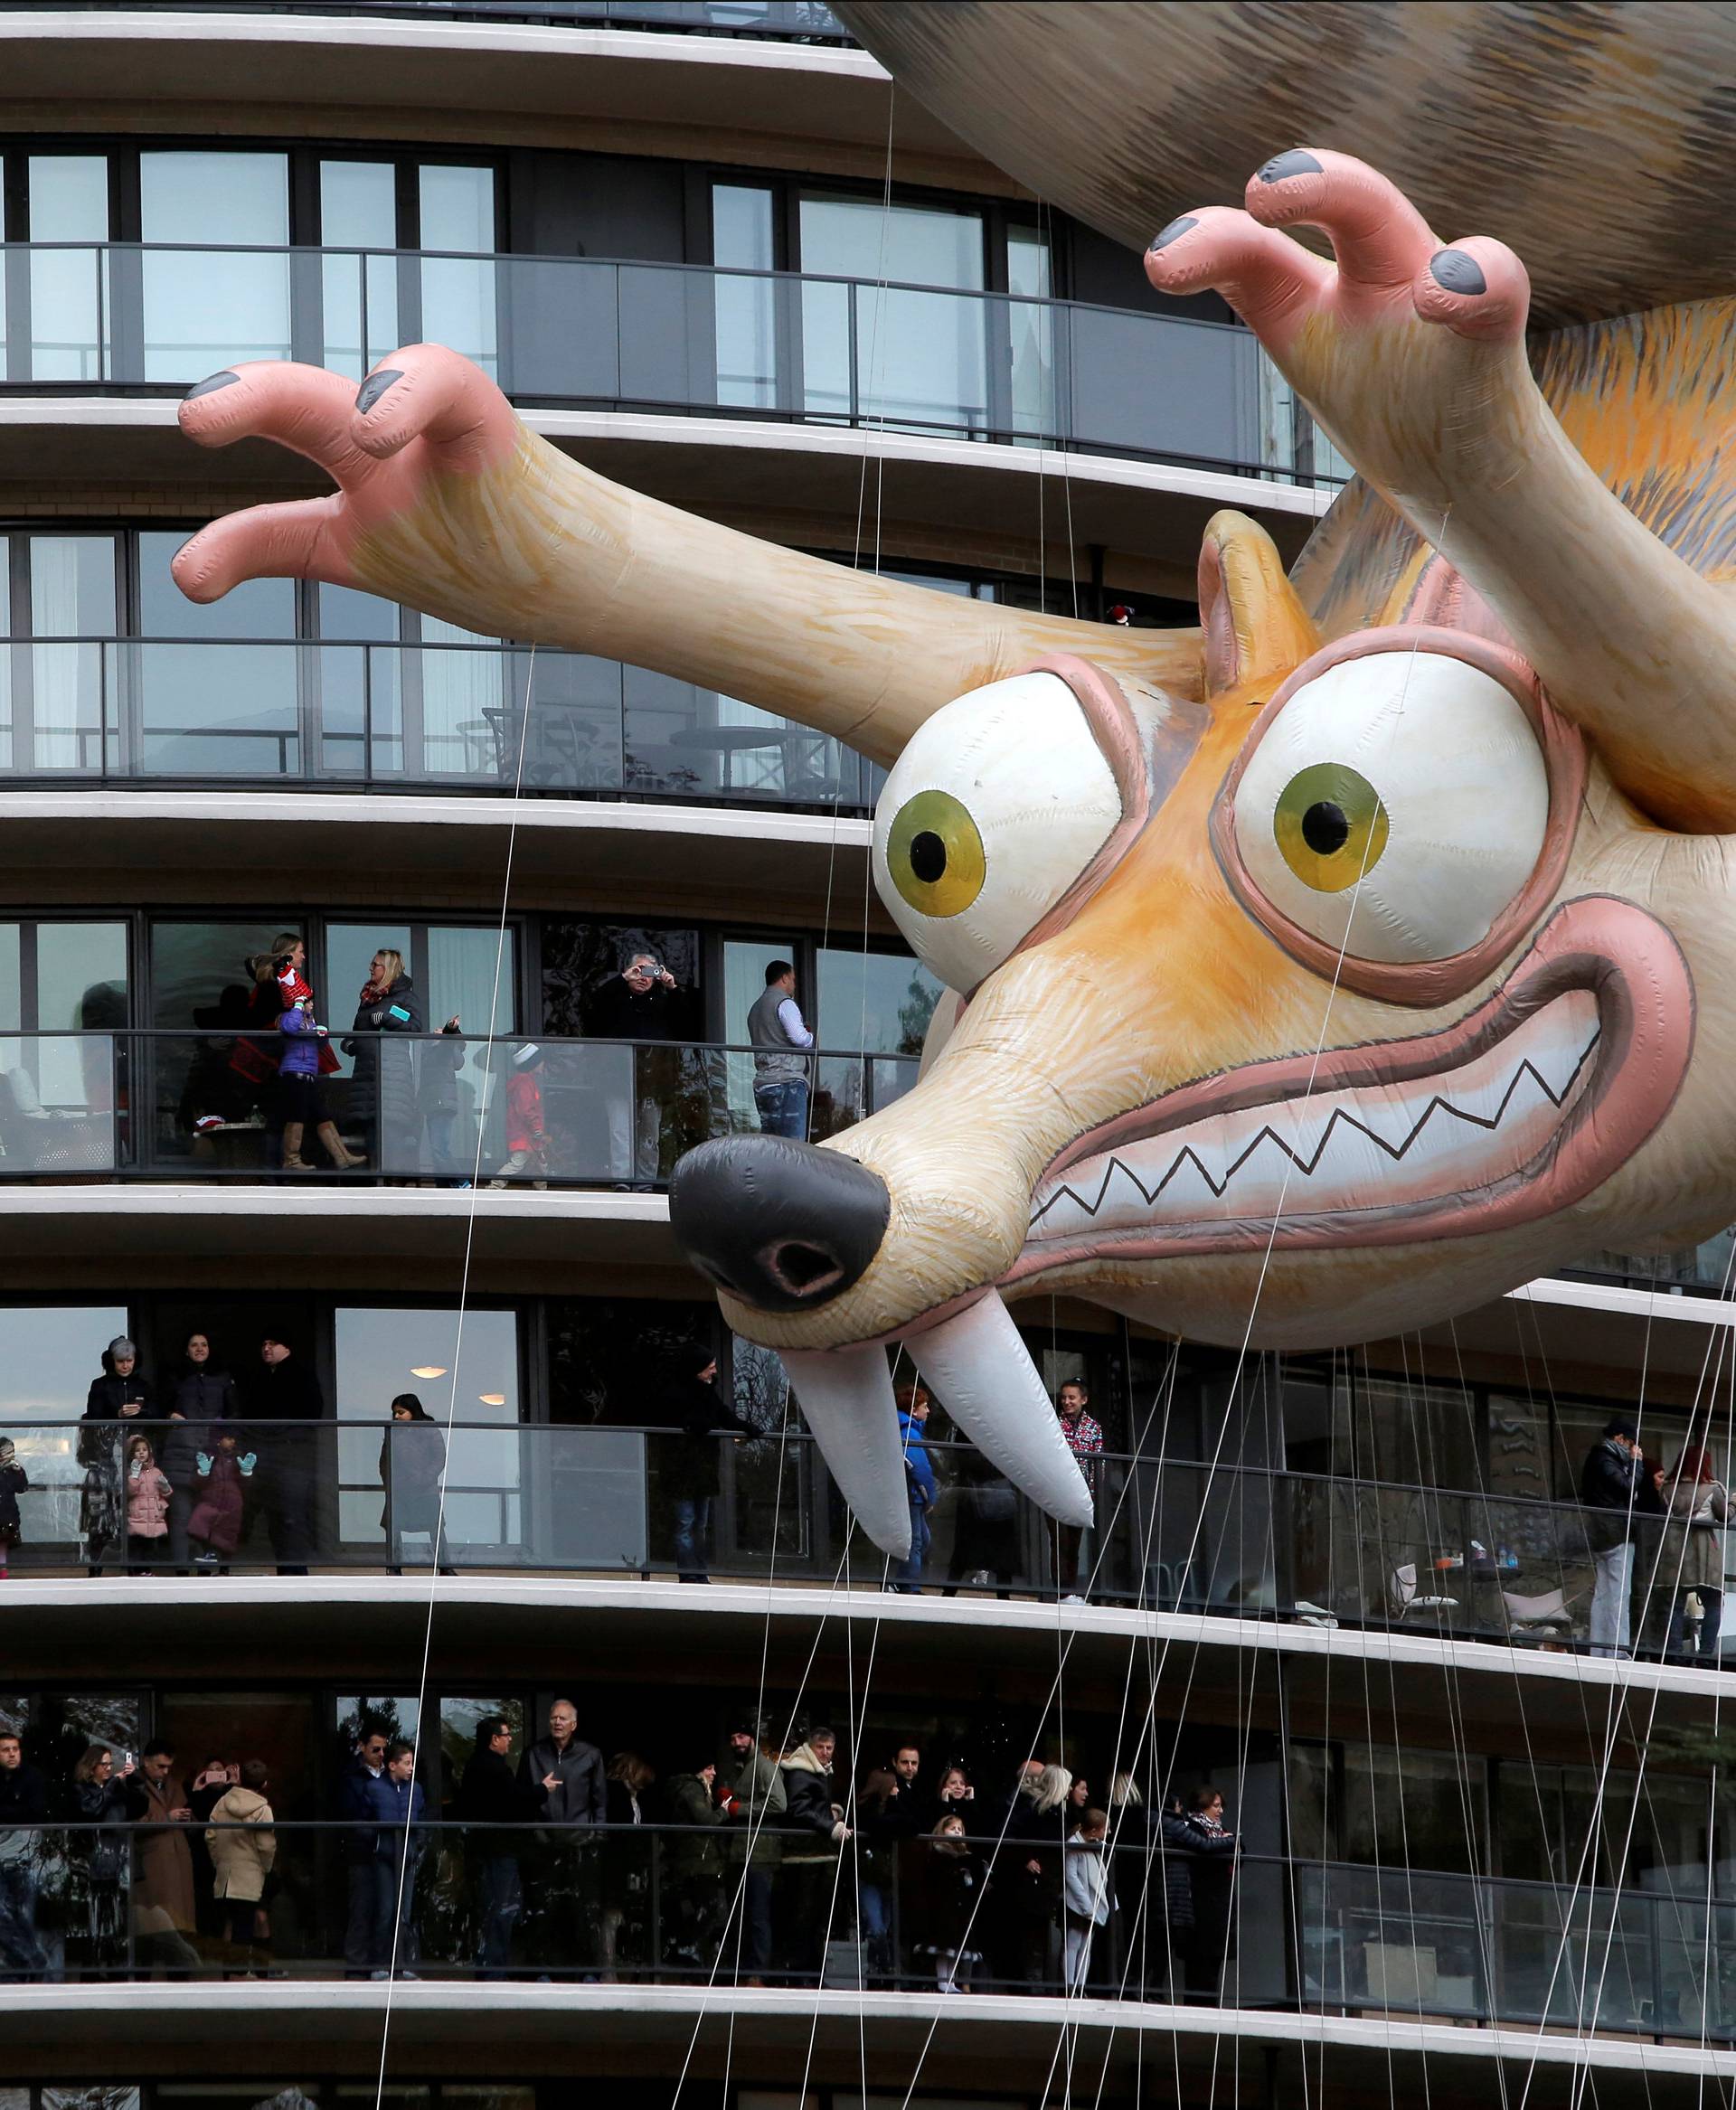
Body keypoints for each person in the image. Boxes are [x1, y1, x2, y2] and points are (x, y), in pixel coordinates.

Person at [519, 1698, 607, 1976]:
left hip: (580, 1844)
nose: (557, 1722)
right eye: (553, 1718)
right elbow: (523, 1797)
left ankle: (586, 1972)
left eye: (563, 1718)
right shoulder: (534, 1754)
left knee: (582, 1911)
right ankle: (541, 1971)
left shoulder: (590, 1755)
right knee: (542, 1910)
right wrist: (535, 1833)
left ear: (574, 1724)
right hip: (543, 1844)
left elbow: (600, 1801)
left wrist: (596, 1836)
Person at [587, 950, 687, 1186]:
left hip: (653, 1080)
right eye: (638, 971)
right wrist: (623, 979)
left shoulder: (662, 1002)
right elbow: (594, 1006)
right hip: (617, 1078)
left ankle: (645, 1182)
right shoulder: (616, 999)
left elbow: (685, 1023)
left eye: (650, 972)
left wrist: (673, 988)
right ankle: (622, 1181)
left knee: (649, 1136)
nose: (643, 977)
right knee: (620, 1132)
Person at [656, 1347, 750, 1584]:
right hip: (681, 1470)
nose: (714, 1370)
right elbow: (687, 1423)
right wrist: (699, 1424)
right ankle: (688, 1574)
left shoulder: (708, 1393)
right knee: (687, 1523)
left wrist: (747, 1427)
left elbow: (722, 1415)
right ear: (697, 1369)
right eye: (710, 1366)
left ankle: (700, 1572)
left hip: (703, 1470)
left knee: (699, 1525)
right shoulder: (675, 1394)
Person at [1580, 1416, 1667, 1657]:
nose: (1633, 1449)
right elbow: (1629, 1488)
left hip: (1601, 1533)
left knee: (1603, 1594)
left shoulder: (1596, 1458)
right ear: (1620, 1439)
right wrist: (1637, 1463)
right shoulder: (1606, 1459)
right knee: (1619, 1594)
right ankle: (1617, 1650)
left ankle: (1598, 1649)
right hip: (1617, 1533)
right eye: (1631, 1444)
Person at [456, 1716, 532, 1979]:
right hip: (499, 1850)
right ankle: (494, 1969)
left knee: (490, 1907)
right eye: (507, 1734)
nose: (511, 1739)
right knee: (502, 1908)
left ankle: (488, 1966)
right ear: (495, 1739)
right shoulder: (496, 1769)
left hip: (482, 1849)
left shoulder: (474, 1766)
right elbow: (514, 1802)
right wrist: (542, 1790)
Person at [244, 1333, 323, 1575]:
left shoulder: (301, 1375)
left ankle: (297, 1572)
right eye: (263, 1344)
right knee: (275, 1517)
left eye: (272, 1344)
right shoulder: (261, 1377)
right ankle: (284, 1569)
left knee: (292, 1515)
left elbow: (312, 1414)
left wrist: (285, 1435)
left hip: (293, 1457)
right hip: (268, 1457)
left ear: (287, 1347)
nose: (266, 1348)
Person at [160, 1332, 238, 1573]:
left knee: (209, 1515)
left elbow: (234, 1413)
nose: (199, 1349)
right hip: (180, 1455)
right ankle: (182, 1569)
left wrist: (228, 1437)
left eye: (204, 1344)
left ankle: (206, 1569)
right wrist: (169, 1415)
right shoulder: (175, 1377)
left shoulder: (223, 1377)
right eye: (194, 1345)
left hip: (214, 1455)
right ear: (186, 1350)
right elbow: (158, 1407)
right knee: (181, 1516)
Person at [778, 1726, 851, 1979]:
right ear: (810, 1747)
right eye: (820, 1747)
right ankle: (802, 1973)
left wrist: (831, 1812)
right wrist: (829, 1826)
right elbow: (797, 1809)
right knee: (805, 1916)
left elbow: (812, 1804)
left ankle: (810, 1972)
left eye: (829, 1748)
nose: (825, 1752)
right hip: (806, 1855)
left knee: (816, 1917)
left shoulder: (816, 1772)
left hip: (815, 1853)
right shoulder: (801, 1771)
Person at [79, 1335, 154, 1577]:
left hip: (136, 1460)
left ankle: (138, 1568)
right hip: (106, 1461)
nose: (125, 1365)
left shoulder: (143, 1386)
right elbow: (93, 1418)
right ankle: (95, 1569)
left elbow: (158, 1414)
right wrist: (117, 1414)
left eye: (129, 1360)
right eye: (120, 1361)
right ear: (112, 1361)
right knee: (100, 1515)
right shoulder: (100, 1386)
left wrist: (140, 1413)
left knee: (138, 1512)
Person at [344, 947, 423, 1170]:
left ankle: (392, 1186)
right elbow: (356, 1031)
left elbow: (416, 1028)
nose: (370, 968)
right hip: (366, 1076)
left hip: (392, 1079)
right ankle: (375, 1186)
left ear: (387, 969)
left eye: (375, 964)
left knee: (391, 1134)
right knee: (371, 1136)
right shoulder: (367, 998)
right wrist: (350, 1044)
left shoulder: (404, 997)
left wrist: (389, 1018)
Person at [721, 1715, 785, 1984]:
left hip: (759, 1854)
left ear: (752, 1739)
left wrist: (739, 1809)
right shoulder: (741, 1768)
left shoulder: (764, 1767)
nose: (738, 1742)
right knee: (743, 1917)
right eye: (734, 1738)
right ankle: (744, 1970)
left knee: (757, 1917)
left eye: (742, 1737)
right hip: (742, 1853)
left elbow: (779, 1804)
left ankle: (757, 1973)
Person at [64, 1743, 136, 1976]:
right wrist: (113, 1784)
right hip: (93, 1861)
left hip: (116, 1860)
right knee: (93, 1920)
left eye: (109, 1764)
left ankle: (117, 1968)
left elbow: (138, 1807)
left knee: (118, 1920)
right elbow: (91, 1810)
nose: (107, 1768)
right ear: (91, 1765)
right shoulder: (81, 1789)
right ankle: (92, 1969)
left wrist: (132, 1782)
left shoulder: (116, 1788)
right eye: (102, 1764)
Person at [128, 1738, 199, 1975]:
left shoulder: (174, 1785)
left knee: (179, 1925)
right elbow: (133, 1824)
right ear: (146, 1763)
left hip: (179, 1862)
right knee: (150, 1929)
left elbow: (190, 1820)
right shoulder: (134, 1784)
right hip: (152, 1865)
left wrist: (189, 1820)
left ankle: (180, 1978)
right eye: (160, 1766)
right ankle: (142, 1983)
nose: (165, 1772)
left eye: (169, 1766)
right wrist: (168, 1818)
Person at [276, 980, 361, 1172]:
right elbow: (289, 1028)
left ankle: (342, 1157)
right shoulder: (289, 1016)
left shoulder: (308, 1019)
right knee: (296, 1115)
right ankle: (291, 1159)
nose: (312, 1004)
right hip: (294, 1073)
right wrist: (298, 1005)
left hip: (309, 1074)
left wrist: (322, 1036)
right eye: (309, 1001)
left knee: (322, 1115)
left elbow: (319, 1047)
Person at [358, 1739, 426, 1979]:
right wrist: (376, 1842)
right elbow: (363, 1822)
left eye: (412, 1763)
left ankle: (404, 1965)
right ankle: (379, 1965)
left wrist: (417, 1846)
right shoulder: (374, 1788)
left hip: (407, 1858)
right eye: (407, 1763)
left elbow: (423, 1819)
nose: (411, 1768)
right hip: (384, 1857)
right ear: (392, 1765)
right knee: (386, 1911)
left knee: (405, 1913)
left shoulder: (415, 1789)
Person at [206, 1759, 276, 1977]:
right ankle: (243, 1975)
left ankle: (229, 1975)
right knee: (246, 1925)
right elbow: (266, 1845)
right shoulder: (263, 1809)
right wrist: (265, 1868)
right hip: (250, 1874)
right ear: (264, 1783)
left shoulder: (222, 1802)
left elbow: (210, 1836)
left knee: (230, 1923)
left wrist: (219, 1861)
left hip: (225, 1874)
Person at [1660, 1441, 1730, 1657]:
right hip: (1703, 1548)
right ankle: (1706, 1655)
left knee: (1674, 1605)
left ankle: (1675, 1654)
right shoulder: (1713, 1488)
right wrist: (1734, 1501)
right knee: (1714, 1603)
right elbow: (1725, 1516)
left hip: (1673, 1547)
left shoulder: (1667, 1487)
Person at [662, 1755, 730, 1970]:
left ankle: (690, 1949)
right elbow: (706, 1821)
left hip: (695, 1862)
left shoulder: (690, 1789)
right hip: (698, 1863)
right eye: (709, 1768)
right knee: (710, 1908)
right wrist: (724, 1811)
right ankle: (686, 1946)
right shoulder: (693, 1790)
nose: (714, 1774)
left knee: (706, 1908)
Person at [379, 1394, 453, 1574]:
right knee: (393, 1527)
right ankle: (394, 1567)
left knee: (435, 1527)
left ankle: (445, 1568)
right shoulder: (392, 1432)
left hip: (424, 1490)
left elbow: (439, 1458)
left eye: (401, 1412)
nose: (396, 1416)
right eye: (395, 1413)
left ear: (413, 1411)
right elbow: (384, 1461)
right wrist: (390, 1482)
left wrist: (422, 1479)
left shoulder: (429, 1429)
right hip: (399, 1490)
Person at [338, 1724, 391, 1978]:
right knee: (361, 1909)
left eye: (384, 1749)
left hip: (388, 1852)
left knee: (387, 1910)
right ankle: (357, 1968)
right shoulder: (351, 1777)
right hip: (362, 1852)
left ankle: (383, 1965)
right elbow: (350, 1815)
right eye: (375, 1749)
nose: (381, 1754)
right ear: (362, 1747)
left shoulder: (391, 1775)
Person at [1179, 1786, 1238, 2004]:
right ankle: (1198, 2007)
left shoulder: (1219, 1830)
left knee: (1214, 1961)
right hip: (1200, 1904)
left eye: (1221, 1805)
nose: (1220, 1810)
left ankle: (1212, 2005)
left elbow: (1241, 1850)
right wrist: (1228, 1842)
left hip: (1220, 1906)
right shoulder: (1192, 1827)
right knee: (1198, 1963)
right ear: (1202, 1806)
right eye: (1216, 1805)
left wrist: (1228, 1842)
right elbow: (1206, 1850)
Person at [0, 1729, 50, 1982]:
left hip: (24, 1854)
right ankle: (30, 1963)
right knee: (3, 1914)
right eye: (6, 1750)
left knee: (23, 1914)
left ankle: (30, 1969)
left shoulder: (32, 1777)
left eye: (15, 1749)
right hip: (2, 1855)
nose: (11, 1754)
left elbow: (35, 1812)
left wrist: (8, 1809)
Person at [940, 1442, 1019, 1599]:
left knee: (998, 1554)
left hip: (991, 1505)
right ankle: (950, 1592)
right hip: (981, 1505)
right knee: (968, 1553)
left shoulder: (992, 1441)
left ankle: (950, 1592)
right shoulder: (998, 1444)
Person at [919, 1813, 987, 1992]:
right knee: (944, 1947)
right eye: (952, 1829)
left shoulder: (965, 1856)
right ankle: (942, 1981)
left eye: (959, 1829)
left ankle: (951, 1981)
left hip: (960, 1908)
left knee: (956, 1948)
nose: (957, 1832)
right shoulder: (938, 1853)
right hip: (944, 1907)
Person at [602, 1752, 656, 1979]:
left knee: (619, 1917)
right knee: (610, 1917)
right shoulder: (615, 1794)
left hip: (628, 1864)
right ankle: (608, 1968)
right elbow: (621, 1831)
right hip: (615, 1864)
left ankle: (616, 1966)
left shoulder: (631, 1797)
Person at [747, 958, 814, 1140]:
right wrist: (811, 1037)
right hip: (787, 1082)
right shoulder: (784, 1003)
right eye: (792, 979)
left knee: (772, 1148)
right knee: (794, 1148)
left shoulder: (755, 1008)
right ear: (784, 978)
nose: (794, 985)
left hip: (764, 1084)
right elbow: (800, 1039)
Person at [1050, 1381, 1104, 1603]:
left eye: (1072, 1397)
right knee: (1059, 1541)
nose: (1067, 1402)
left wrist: (1091, 1495)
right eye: (1064, 1398)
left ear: (1084, 1400)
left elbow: (1098, 1464)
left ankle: (1071, 1590)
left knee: (1073, 1544)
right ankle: (1062, 1592)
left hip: (1080, 1495)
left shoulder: (1094, 1428)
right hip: (1055, 1492)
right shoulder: (1052, 1424)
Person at [186, 1432, 253, 1573]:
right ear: (219, 1439)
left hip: (232, 1504)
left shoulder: (239, 1458)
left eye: (234, 1438)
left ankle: (224, 1570)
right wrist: (203, 1472)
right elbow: (196, 1484)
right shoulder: (209, 1457)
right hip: (210, 1500)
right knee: (199, 1524)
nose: (232, 1441)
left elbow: (247, 1486)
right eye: (229, 1437)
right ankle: (206, 1561)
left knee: (227, 1537)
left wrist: (246, 1472)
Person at [1062, 1807, 1112, 1992]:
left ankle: (1080, 1986)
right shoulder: (1074, 1844)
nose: (1108, 1833)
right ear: (1093, 1830)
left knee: (1087, 1946)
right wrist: (1085, 1904)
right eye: (1105, 1829)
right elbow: (1071, 1877)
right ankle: (1069, 1986)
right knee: (1074, 1943)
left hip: (1091, 1901)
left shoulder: (1095, 1844)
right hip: (1077, 1904)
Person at [893, 1382, 936, 1595]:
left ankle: (900, 1580)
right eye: (925, 1406)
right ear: (913, 1410)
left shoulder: (908, 1430)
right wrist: (929, 1496)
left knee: (922, 1540)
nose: (928, 1410)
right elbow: (919, 1467)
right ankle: (908, 1586)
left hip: (913, 1496)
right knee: (916, 1541)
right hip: (913, 1496)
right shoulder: (909, 1431)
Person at [420, 1014, 467, 1182]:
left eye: (439, 1031)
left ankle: (462, 1183)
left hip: (441, 1104)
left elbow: (450, 1042)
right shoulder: (430, 1053)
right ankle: (444, 1186)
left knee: (439, 1148)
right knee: (436, 1149)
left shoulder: (442, 1052)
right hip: (434, 1104)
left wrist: (450, 1027)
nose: (435, 1031)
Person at [492, 1042, 548, 1185]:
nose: (543, 1064)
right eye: (541, 1061)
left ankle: (544, 1193)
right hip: (526, 1135)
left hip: (529, 1135)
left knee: (540, 1166)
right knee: (518, 1163)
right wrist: (536, 1128)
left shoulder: (526, 1081)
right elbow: (526, 1109)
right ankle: (493, 1188)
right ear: (532, 1063)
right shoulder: (524, 1083)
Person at [124, 1434, 173, 1575]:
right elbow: (130, 1491)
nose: (141, 1453)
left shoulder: (156, 1471)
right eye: (137, 1450)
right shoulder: (129, 1472)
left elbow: (167, 1493)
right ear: (132, 1453)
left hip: (154, 1515)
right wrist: (134, 1475)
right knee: (137, 1544)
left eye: (144, 1450)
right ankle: (136, 1571)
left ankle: (147, 1570)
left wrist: (165, 1486)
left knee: (151, 1545)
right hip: (137, 1514)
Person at [0, 1437, 32, 1582]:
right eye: (7, 1452)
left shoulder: (13, 1469)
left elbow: (22, 1488)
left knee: (3, 1543)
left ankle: (3, 1572)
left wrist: (18, 1471)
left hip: (6, 1513)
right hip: (6, 1511)